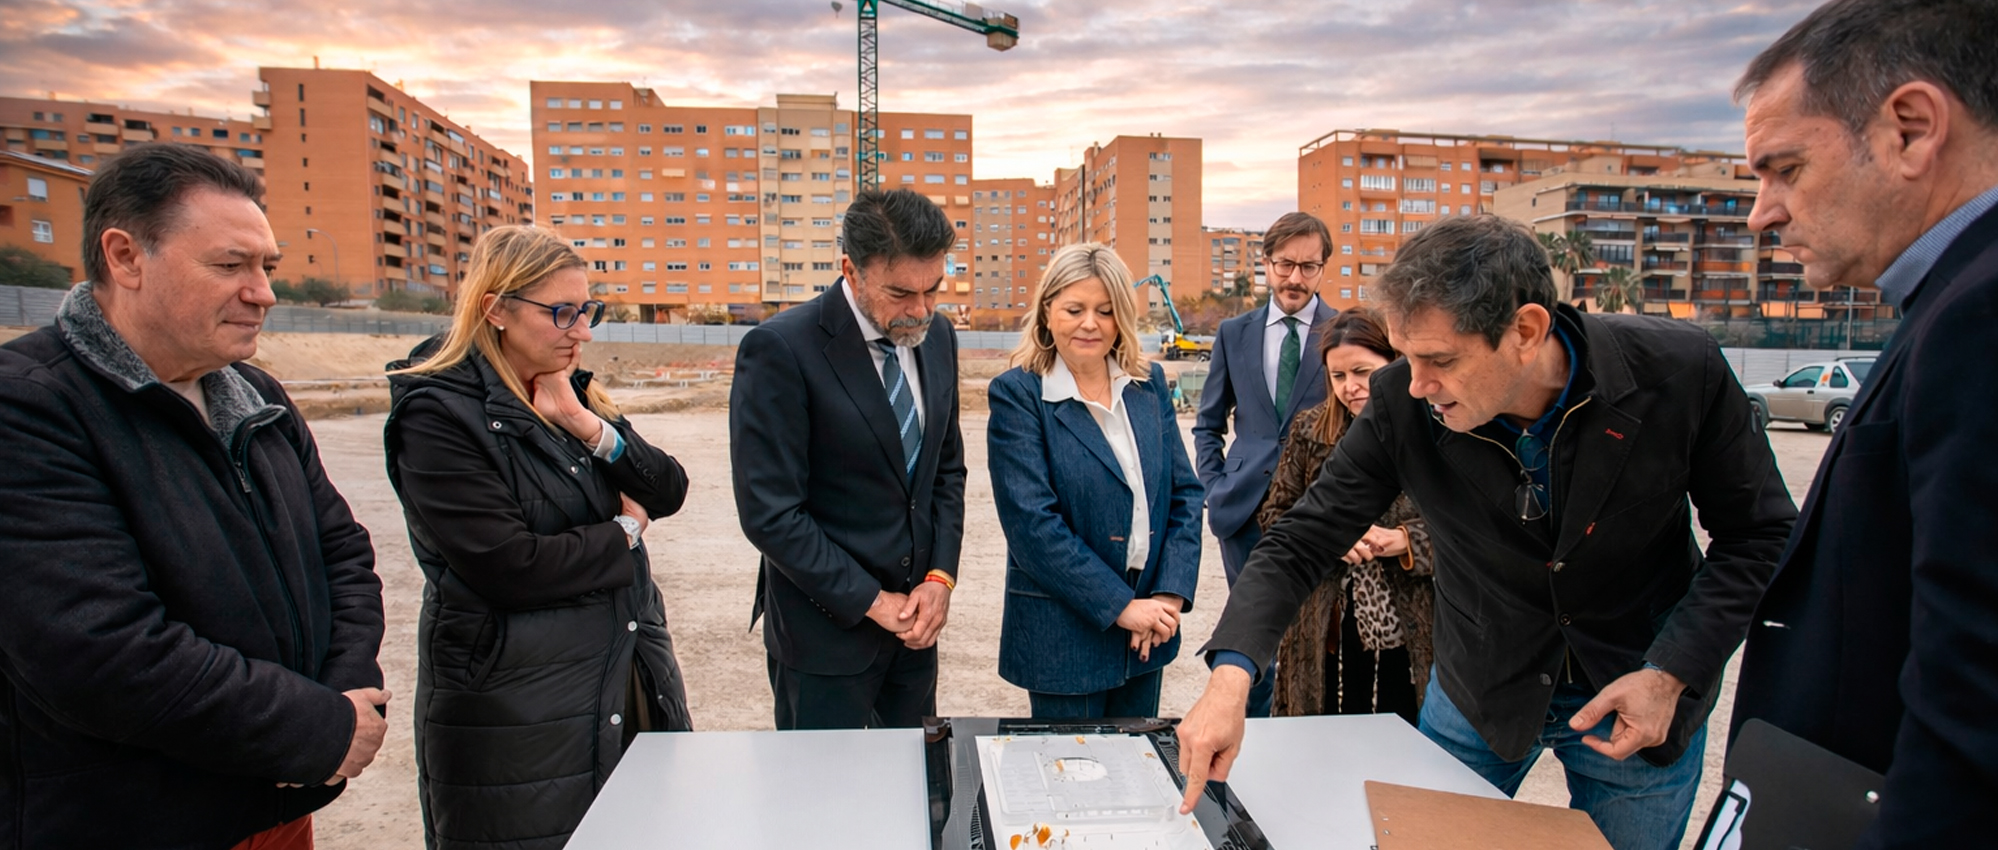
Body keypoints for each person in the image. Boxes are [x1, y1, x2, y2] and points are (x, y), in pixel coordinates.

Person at [1175, 215, 1797, 850]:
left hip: (1638, 691)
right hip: (1478, 686)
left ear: (1525, 330)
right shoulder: (1403, 399)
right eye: (1407, 356)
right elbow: (1301, 538)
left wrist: (1671, 673)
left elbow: (1761, 534)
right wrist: (1232, 673)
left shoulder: (1680, 370)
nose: (1415, 385)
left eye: (1439, 360)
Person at [0, 143, 386, 848]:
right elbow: (98, 653)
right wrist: (315, 726)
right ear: (125, 258)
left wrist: (344, 697)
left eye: (267, 267)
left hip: (272, 805)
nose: (264, 292)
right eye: (230, 265)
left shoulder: (255, 396)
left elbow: (343, 554)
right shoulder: (29, 407)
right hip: (133, 822)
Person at [1728, 1, 1998, 844]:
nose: (1761, 213)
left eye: (1785, 169)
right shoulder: (1953, 297)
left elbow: (1975, 704)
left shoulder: (1980, 314)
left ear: (1910, 129)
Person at [384, 225, 692, 849]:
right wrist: (626, 531)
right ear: (494, 307)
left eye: (587, 310)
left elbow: (669, 490)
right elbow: (510, 566)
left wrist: (585, 425)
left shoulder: (569, 386)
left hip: (623, 677)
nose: (582, 331)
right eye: (561, 313)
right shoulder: (437, 412)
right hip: (519, 712)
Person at [731, 188, 967, 730]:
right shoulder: (780, 349)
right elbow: (771, 514)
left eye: (934, 289)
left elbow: (946, 472)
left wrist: (939, 579)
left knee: (915, 791)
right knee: (818, 804)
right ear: (851, 270)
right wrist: (873, 602)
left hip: (915, 635)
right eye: (902, 292)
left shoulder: (938, 337)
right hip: (823, 641)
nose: (921, 309)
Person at [987, 243, 1204, 719]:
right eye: (1075, 309)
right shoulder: (1019, 394)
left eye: (1106, 311)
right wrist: (1122, 607)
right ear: (1047, 312)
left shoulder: (1148, 386)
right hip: (1065, 636)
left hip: (1148, 631)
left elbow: (1185, 496)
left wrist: (1167, 594)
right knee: (1068, 781)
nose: (1091, 323)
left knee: (1139, 775)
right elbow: (1033, 526)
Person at [1252, 308, 1434, 724]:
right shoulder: (1309, 429)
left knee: (1407, 743)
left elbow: (1469, 531)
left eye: (1363, 372)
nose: (1350, 387)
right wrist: (1330, 538)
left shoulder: (1433, 428)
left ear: (1395, 364)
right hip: (1325, 625)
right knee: (1325, 736)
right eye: (1338, 376)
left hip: (1415, 625)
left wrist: (1406, 541)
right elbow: (1276, 516)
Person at [1192, 211, 1339, 717]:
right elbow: (1207, 422)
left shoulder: (1342, 333)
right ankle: (1248, 742)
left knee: (1310, 640)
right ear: (1266, 264)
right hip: (1243, 511)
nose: (1295, 277)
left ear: (1323, 268)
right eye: (1285, 264)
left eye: (1308, 266)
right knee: (1252, 636)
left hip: (1317, 512)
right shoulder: (1234, 332)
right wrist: (1214, 484)